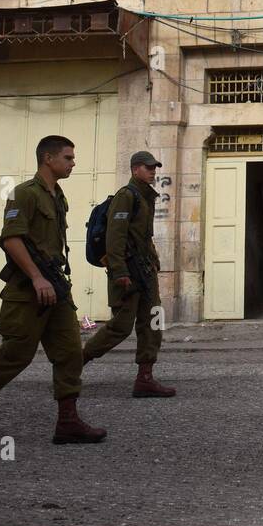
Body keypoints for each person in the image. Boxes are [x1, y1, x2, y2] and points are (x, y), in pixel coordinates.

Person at [0, 135, 106, 445]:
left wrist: (51, 279)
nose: (73, 163)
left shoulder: (57, 196)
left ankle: (68, 421)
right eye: (68, 157)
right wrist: (36, 277)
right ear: (49, 159)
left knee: (70, 352)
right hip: (28, 291)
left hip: (56, 287)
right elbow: (11, 239)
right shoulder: (25, 194)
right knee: (16, 355)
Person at [82, 150, 175, 397]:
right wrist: (119, 271)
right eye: (148, 167)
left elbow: (144, 237)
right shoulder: (127, 196)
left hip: (145, 272)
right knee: (120, 326)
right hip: (128, 272)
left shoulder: (146, 197)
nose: (153, 171)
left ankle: (145, 378)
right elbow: (116, 236)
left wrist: (154, 261)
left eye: (154, 167)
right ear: (135, 170)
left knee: (153, 321)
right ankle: (74, 364)